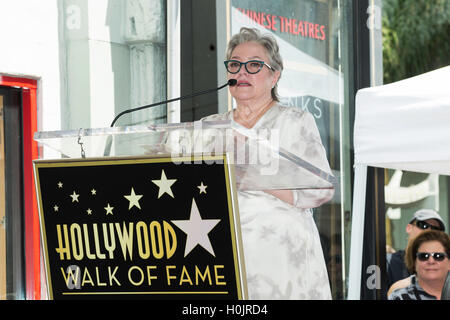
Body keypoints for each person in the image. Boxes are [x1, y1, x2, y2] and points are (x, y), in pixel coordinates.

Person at [200, 27, 335, 299]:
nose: (242, 72)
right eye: (235, 65)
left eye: (253, 66)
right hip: (221, 252)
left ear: (275, 75)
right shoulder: (209, 128)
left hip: (282, 259)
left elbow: (322, 187)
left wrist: (254, 179)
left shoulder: (295, 121)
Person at [386, 209, 446, 289]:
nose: (429, 231)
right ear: (409, 228)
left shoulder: (443, 270)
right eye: (423, 225)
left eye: (436, 230)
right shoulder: (388, 263)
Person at [388, 230, 450, 300]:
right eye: (423, 256)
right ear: (414, 262)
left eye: (438, 256)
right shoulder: (400, 297)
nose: (431, 261)